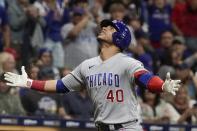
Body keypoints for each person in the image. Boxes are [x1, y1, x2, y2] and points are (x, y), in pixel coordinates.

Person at [4, 19, 181, 131]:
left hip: (127, 128)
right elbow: (60, 86)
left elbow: (145, 78)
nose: (104, 28)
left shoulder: (128, 62)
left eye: (110, 28)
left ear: (119, 38)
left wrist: (162, 86)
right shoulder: (87, 65)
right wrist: (28, 83)